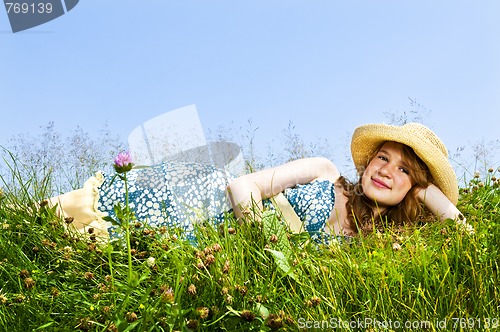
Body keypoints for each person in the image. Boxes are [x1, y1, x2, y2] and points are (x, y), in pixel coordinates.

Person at [46, 122, 466, 243]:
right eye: (383, 157)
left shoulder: (373, 248)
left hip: (212, 248)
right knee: (53, 218)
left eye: (404, 170)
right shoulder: (324, 171)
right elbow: (242, 186)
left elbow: (461, 230)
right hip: (204, 205)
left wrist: (430, 193)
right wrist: (265, 242)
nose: (386, 170)